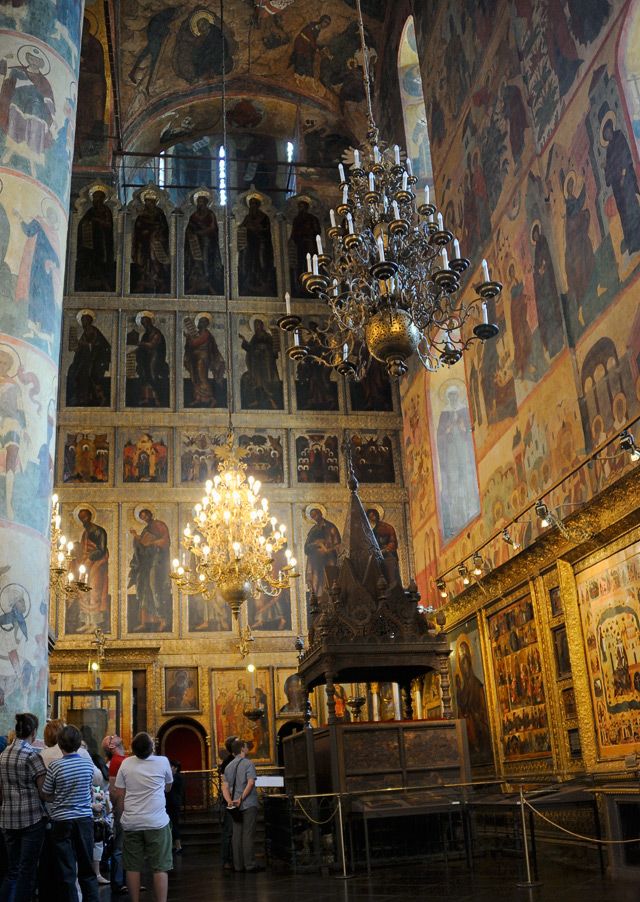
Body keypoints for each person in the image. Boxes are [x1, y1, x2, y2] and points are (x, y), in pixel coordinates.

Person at [40, 725, 100, 902]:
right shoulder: (87, 764)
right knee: (87, 868)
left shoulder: (55, 766)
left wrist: (58, 798)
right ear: (78, 744)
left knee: (66, 870)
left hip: (61, 821)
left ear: (59, 744)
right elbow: (91, 787)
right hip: (84, 820)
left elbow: (47, 792)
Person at [113, 732, 173, 902]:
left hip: (132, 821)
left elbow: (120, 792)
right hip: (157, 822)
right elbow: (168, 787)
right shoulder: (163, 762)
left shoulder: (126, 764)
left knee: (132, 866)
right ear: (152, 747)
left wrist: (124, 813)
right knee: (160, 866)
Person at [0, 712, 47, 902]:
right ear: (33, 732)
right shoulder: (32, 756)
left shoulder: (3, 755)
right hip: (31, 818)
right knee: (27, 871)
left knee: (12, 870)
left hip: (7, 817)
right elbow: (43, 790)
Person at [221, 739, 262, 873]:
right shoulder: (248, 763)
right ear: (243, 749)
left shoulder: (228, 766)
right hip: (248, 803)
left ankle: (238, 866)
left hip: (234, 805)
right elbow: (250, 783)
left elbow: (224, 787)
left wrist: (229, 801)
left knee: (236, 835)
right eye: (246, 746)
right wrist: (241, 798)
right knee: (248, 834)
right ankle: (249, 865)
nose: (247, 747)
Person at [128, 508, 171, 631]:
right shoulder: (145, 530)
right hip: (147, 563)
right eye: (142, 517)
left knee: (155, 587)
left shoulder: (159, 525)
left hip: (158, 562)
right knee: (144, 588)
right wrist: (137, 538)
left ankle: (163, 619)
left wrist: (152, 542)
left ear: (150, 514)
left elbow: (166, 541)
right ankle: (145, 620)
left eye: (145, 515)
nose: (144, 518)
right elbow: (142, 546)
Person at [73, 508, 109, 633]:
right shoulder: (85, 533)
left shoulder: (99, 531)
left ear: (90, 517)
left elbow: (102, 550)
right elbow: (84, 549)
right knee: (83, 592)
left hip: (97, 564)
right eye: (81, 518)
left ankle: (95, 623)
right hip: (86, 564)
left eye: (85, 517)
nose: (84, 520)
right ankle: (87, 622)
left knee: (94, 591)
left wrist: (89, 557)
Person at [66, 312, 111, 407]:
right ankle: (84, 397)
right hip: (89, 359)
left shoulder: (92, 330)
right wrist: (76, 347)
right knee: (76, 371)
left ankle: (102, 398)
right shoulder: (85, 332)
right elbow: (82, 347)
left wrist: (82, 344)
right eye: (82, 320)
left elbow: (94, 344)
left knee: (93, 376)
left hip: (98, 359)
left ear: (89, 321)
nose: (83, 323)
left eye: (84, 320)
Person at [75, 191, 115, 292]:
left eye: (97, 198)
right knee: (89, 261)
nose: (95, 200)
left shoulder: (106, 210)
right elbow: (82, 223)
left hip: (103, 241)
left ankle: (105, 284)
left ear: (102, 199)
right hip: (90, 242)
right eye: (94, 198)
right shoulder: (91, 211)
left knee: (101, 262)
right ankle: (86, 283)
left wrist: (97, 220)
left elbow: (109, 225)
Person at [102, 735, 127, 893]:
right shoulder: (118, 762)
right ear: (111, 746)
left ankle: (128, 880)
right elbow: (114, 791)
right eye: (111, 737)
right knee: (120, 846)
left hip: (127, 807)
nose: (114, 735)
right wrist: (119, 809)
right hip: (123, 808)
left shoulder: (122, 760)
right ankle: (118, 882)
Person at [184, 195, 223, 294]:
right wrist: (192, 233)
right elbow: (188, 228)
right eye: (199, 202)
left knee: (206, 260)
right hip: (195, 243)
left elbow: (213, 228)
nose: (200, 204)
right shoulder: (193, 215)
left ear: (206, 203)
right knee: (195, 262)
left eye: (202, 202)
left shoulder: (210, 214)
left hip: (208, 243)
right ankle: (195, 281)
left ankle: (207, 280)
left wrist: (201, 232)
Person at [239, 319, 282, 409]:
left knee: (267, 381)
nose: (256, 327)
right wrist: (244, 341)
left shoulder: (267, 336)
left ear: (262, 325)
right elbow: (250, 348)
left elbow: (272, 349)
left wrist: (263, 348)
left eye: (257, 325)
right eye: (255, 326)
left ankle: (271, 400)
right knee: (257, 381)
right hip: (256, 364)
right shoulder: (255, 337)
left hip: (266, 363)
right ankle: (257, 399)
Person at [183, 315, 225, 407]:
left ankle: (211, 398)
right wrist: (188, 339)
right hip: (195, 359)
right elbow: (190, 345)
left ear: (206, 324)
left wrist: (189, 338)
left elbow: (195, 342)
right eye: (200, 321)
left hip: (202, 359)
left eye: (203, 322)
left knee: (202, 378)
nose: (201, 323)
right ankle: (198, 397)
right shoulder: (196, 334)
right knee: (196, 378)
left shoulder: (206, 334)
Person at [238, 198, 276, 297]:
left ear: (258, 205)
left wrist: (257, 228)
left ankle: (263, 281)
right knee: (250, 262)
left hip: (262, 243)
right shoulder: (248, 217)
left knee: (262, 261)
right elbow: (241, 227)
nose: (252, 206)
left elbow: (266, 229)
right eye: (251, 204)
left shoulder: (264, 217)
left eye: (254, 204)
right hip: (250, 244)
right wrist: (244, 228)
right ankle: (251, 281)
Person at [304, 508, 341, 599]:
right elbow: (306, 547)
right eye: (312, 516)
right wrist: (315, 544)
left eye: (315, 514)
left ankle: (332, 599)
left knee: (330, 581)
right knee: (316, 584)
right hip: (315, 562)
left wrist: (327, 550)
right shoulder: (313, 530)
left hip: (329, 561)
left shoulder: (331, 527)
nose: (314, 517)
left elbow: (338, 545)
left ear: (320, 514)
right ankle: (318, 600)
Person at [289, 199, 321, 295]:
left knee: (312, 262)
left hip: (310, 244)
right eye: (299, 207)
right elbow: (294, 233)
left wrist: (308, 233)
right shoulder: (296, 219)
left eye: (302, 207)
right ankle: (301, 283)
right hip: (300, 245)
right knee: (301, 263)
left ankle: (315, 283)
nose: (300, 209)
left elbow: (317, 231)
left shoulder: (312, 218)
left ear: (306, 208)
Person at [366, 508, 401, 588]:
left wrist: (385, 550)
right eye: (370, 517)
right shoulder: (371, 531)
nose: (372, 518)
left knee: (391, 577)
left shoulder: (387, 527)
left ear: (377, 515)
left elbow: (393, 542)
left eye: (373, 516)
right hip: (377, 557)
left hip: (389, 556)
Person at [218, 736, 238, 871]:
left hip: (235, 800)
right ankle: (227, 860)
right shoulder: (228, 762)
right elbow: (226, 784)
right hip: (230, 801)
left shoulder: (234, 760)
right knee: (229, 832)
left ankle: (235, 859)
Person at [165, 761, 183, 853]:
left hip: (173, 803)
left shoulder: (177, 777)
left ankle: (178, 845)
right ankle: (173, 845)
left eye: (171, 767)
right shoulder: (174, 777)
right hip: (169, 802)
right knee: (171, 824)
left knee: (174, 824)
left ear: (175, 768)